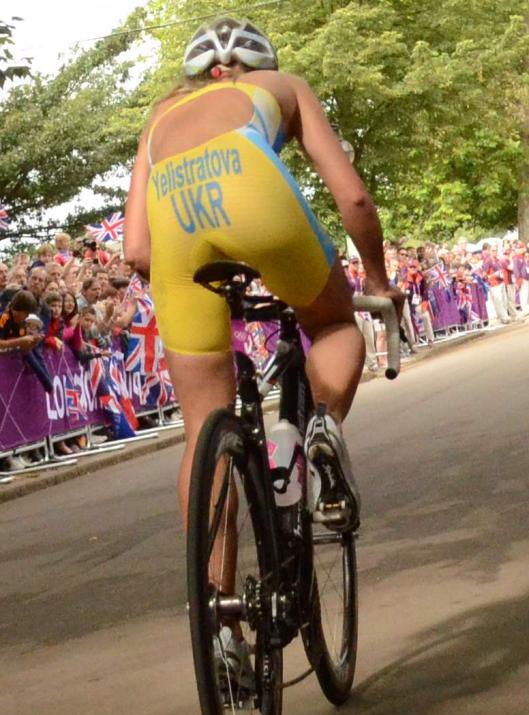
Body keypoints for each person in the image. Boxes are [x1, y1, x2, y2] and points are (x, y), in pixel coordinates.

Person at [124, 17, 402, 671]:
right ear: (259, 65)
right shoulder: (283, 85)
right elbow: (355, 200)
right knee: (332, 325)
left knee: (202, 429)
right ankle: (319, 432)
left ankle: (217, 620)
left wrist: (212, 276)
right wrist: (376, 280)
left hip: (177, 235)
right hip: (255, 198)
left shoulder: (159, 117)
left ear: (196, 74)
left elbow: (136, 249)